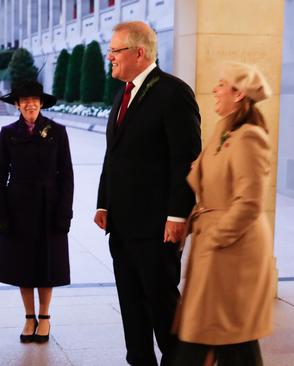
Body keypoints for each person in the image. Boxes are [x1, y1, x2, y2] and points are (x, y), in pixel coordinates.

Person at [94, 21, 202, 366]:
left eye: (116, 50)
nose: (109, 56)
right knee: (131, 307)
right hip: (123, 225)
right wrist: (103, 202)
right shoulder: (123, 93)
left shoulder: (173, 92)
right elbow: (114, 155)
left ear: (140, 53)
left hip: (156, 226)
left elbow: (186, 160)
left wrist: (177, 214)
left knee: (162, 307)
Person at [172, 62, 276, 366]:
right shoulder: (224, 129)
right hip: (217, 248)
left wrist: (217, 235)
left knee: (221, 334)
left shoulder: (250, 137)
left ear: (239, 94)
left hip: (233, 251)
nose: (215, 90)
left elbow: (250, 201)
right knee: (223, 335)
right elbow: (207, 177)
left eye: (222, 84)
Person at [0, 80, 74, 344]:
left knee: (47, 263)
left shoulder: (57, 132)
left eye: (35, 99)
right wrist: (0, 213)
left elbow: (67, 176)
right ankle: (29, 317)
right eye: (24, 100)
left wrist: (65, 212)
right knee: (22, 264)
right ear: (17, 105)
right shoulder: (8, 133)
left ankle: (45, 317)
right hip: (18, 208)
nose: (30, 104)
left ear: (41, 103)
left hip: (49, 208)